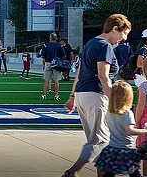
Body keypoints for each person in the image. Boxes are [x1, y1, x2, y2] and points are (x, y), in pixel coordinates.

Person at [61, 13, 130, 177]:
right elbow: (103, 76)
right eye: (124, 33)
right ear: (115, 29)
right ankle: (73, 171)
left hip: (82, 94)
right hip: (95, 95)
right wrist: (116, 103)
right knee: (101, 141)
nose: (124, 39)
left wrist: (72, 97)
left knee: (98, 142)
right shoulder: (104, 46)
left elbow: (79, 72)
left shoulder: (90, 44)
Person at [94, 80, 147, 177]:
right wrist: (146, 130)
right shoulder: (127, 113)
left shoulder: (109, 112)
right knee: (134, 173)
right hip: (127, 149)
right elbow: (129, 131)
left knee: (110, 172)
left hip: (112, 148)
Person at [41, 33, 64, 101]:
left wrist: (43, 64)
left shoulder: (46, 45)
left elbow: (43, 56)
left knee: (46, 80)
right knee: (56, 81)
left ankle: (44, 95)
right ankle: (56, 95)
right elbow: (63, 55)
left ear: (50, 38)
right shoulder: (59, 45)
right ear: (56, 38)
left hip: (48, 62)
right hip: (57, 63)